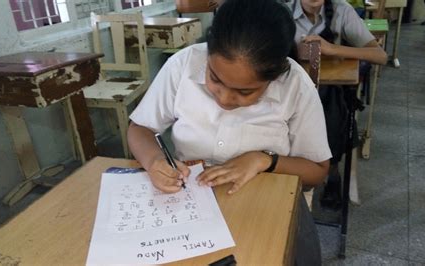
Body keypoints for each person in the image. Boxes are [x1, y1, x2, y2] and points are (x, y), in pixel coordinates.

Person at [128, 0, 331, 264]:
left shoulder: (295, 85)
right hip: (189, 203)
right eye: (215, 79)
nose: (224, 99)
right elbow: (140, 128)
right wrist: (153, 160)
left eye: (245, 92)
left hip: (264, 206)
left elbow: (317, 170)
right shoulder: (183, 65)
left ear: (274, 76)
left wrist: (265, 160)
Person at [284, 0, 387, 210]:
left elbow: (380, 56)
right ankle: (292, 176)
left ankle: (331, 171)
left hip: (328, 91)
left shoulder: (342, 11)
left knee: (331, 116)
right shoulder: (282, 11)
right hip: (290, 89)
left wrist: (333, 49)